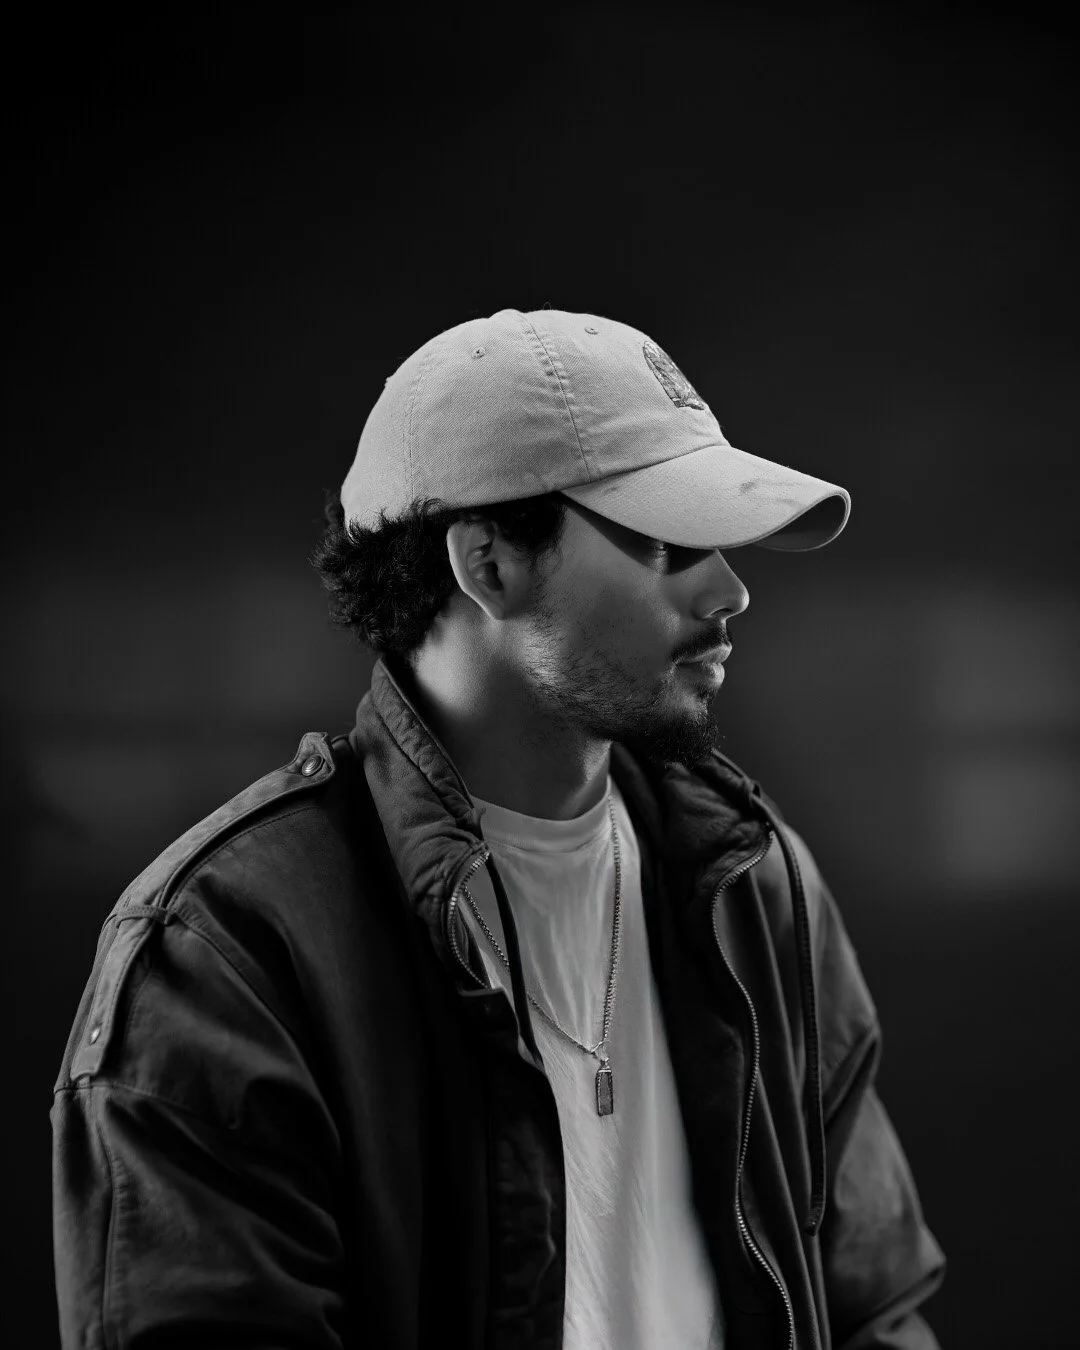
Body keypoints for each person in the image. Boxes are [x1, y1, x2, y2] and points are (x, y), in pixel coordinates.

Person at [52, 308, 946, 1349]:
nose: (731, 589)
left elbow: (876, 1306)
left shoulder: (752, 885)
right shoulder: (227, 953)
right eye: (666, 541)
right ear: (487, 562)